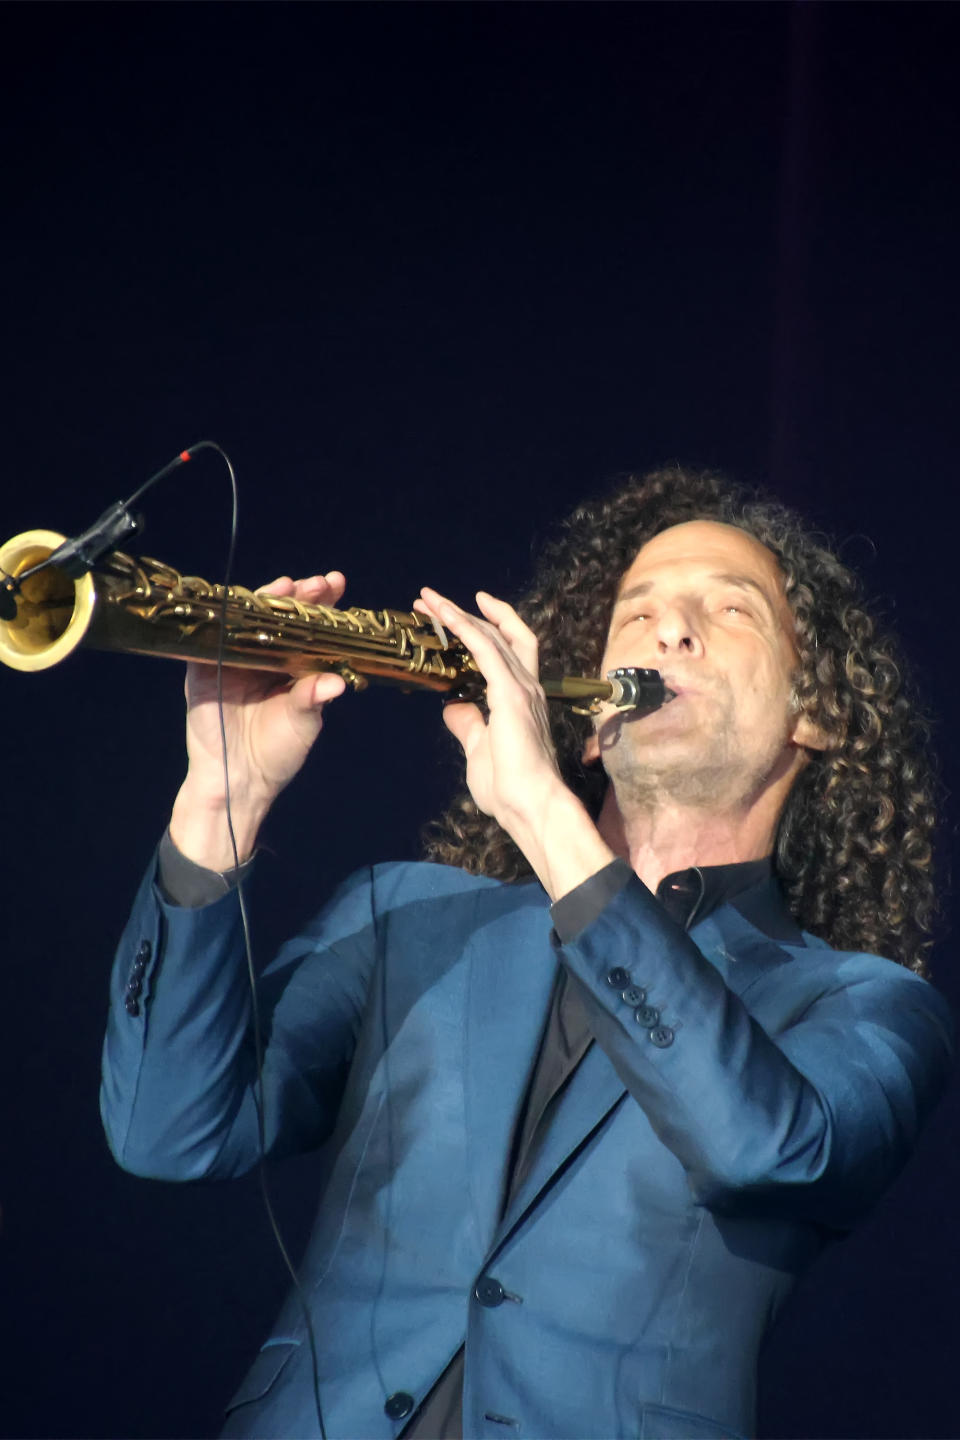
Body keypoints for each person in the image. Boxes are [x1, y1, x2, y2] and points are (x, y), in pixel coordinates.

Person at [101, 466, 953, 1440]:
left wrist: (542, 808)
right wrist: (222, 797)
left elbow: (766, 1147)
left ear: (821, 715)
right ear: (593, 724)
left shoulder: (871, 1007)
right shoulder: (404, 910)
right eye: (637, 614)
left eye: (729, 609)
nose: (671, 631)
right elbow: (167, 1132)